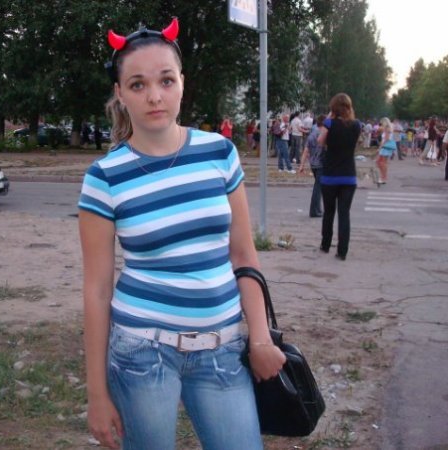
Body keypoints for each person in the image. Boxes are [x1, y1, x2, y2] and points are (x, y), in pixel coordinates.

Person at [78, 18, 285, 450]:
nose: (154, 96)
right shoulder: (104, 177)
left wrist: (260, 336)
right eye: (137, 85)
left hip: (223, 348)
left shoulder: (220, 153)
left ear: (182, 83)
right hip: (142, 352)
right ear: (120, 94)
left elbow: (244, 256)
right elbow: (97, 290)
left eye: (166, 80)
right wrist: (97, 394)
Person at [317, 93, 361, 261]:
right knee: (344, 214)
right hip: (349, 175)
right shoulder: (356, 125)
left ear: (333, 108)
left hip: (330, 175)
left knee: (329, 212)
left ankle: (325, 244)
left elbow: (320, 141)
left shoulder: (329, 123)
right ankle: (342, 251)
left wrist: (329, 120)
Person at [299, 114, 326, 217]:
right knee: (318, 188)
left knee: (318, 186)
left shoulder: (311, 135)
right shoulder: (323, 135)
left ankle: (318, 209)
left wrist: (302, 165)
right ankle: (314, 211)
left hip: (313, 164)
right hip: (321, 163)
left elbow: (306, 151)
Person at [376, 118, 396, 184]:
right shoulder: (388, 128)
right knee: (380, 162)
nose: (381, 124)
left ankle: (383, 177)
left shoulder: (387, 128)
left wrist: (380, 147)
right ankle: (383, 177)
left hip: (385, 147)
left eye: (382, 123)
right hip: (385, 147)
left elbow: (386, 139)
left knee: (382, 162)